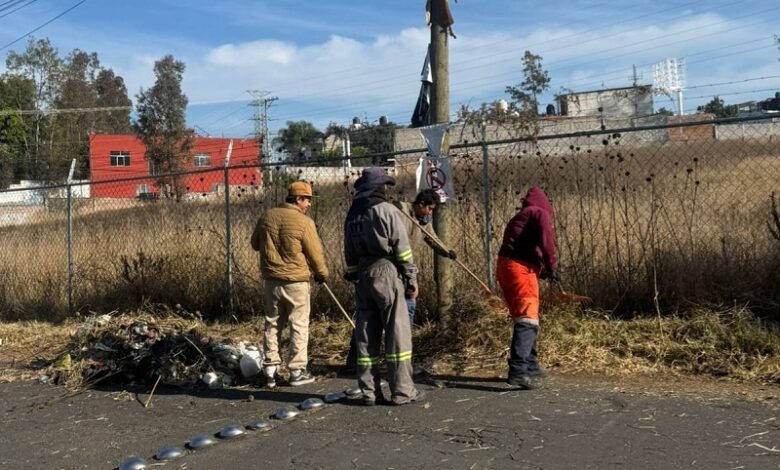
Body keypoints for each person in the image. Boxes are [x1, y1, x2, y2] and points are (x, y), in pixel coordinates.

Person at [344, 167, 423, 406]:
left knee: (366, 334)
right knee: (397, 333)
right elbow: (402, 248)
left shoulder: (353, 215)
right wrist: (411, 277)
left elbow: (349, 252)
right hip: (387, 272)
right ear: (380, 188)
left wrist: (355, 274)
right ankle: (403, 391)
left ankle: (369, 392)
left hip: (363, 275)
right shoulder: (387, 210)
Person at [250, 181, 328, 388]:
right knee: (298, 324)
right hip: (296, 281)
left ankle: (270, 369)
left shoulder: (267, 216)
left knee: (272, 323)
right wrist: (322, 274)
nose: (309, 204)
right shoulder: (304, 222)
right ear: (298, 199)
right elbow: (315, 253)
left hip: (272, 281)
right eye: (307, 200)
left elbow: (255, 244)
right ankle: (296, 370)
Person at [496, 187, 558, 390]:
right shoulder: (539, 213)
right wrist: (551, 266)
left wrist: (542, 268)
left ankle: (531, 366)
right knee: (528, 319)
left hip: (505, 267)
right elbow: (546, 241)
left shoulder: (522, 215)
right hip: (521, 269)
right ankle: (519, 371)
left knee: (523, 319)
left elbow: (527, 243)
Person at [393, 188, 457, 326]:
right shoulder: (401, 211)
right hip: (393, 266)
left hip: (408, 267)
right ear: (421, 204)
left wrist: (446, 251)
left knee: (410, 303)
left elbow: (433, 239)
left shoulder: (424, 222)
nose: (430, 212)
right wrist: (396, 207)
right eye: (429, 208)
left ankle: (407, 334)